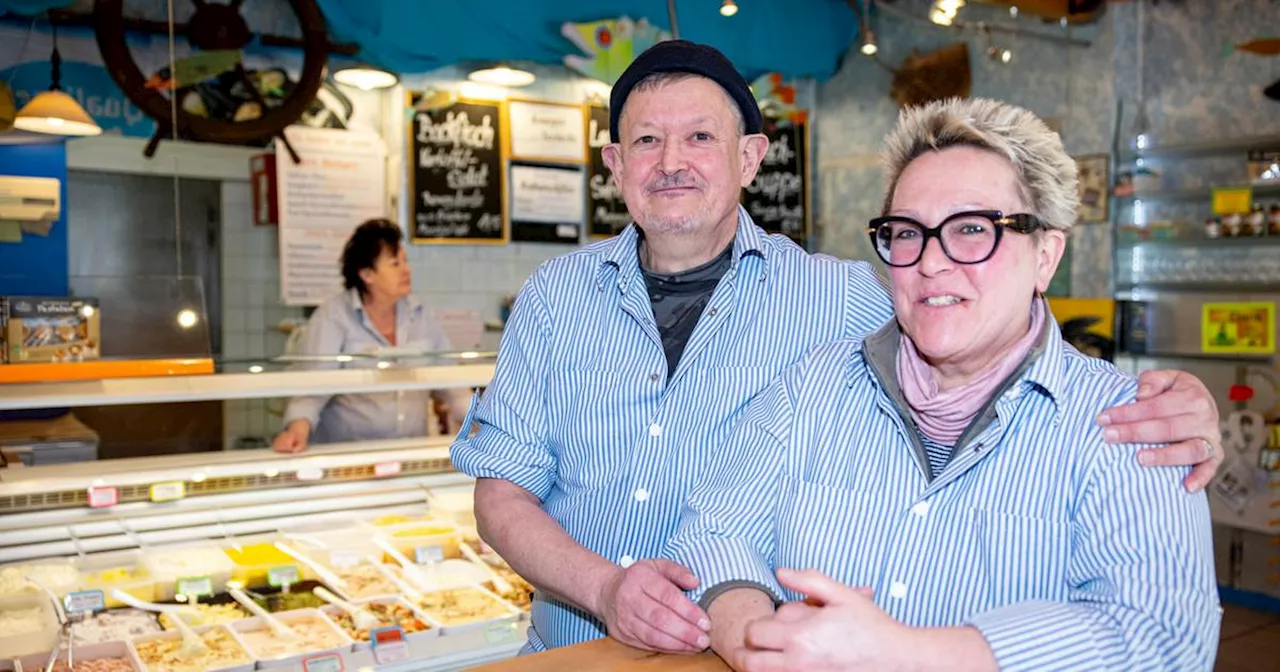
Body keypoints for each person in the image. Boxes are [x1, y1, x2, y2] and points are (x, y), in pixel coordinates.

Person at [449, 40, 1223, 655]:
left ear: (752, 158)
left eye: (699, 137)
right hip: (582, 647)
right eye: (646, 140)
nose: (671, 161)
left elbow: (988, 329)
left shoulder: (846, 296)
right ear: (614, 164)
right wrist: (610, 590)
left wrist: (1178, 396)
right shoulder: (555, 296)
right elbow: (503, 489)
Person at [665, 98, 1219, 671]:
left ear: (1046, 256)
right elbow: (710, 534)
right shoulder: (814, 386)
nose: (931, 262)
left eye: (974, 229)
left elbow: (1164, 636)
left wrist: (909, 655)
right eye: (907, 233)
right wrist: (761, 643)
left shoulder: (1132, 424)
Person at [274, 219, 468, 453]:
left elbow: (451, 381)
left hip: (412, 453)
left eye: (405, 261)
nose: (407, 270)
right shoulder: (332, 317)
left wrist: (483, 425)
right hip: (350, 457)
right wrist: (297, 430)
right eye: (395, 263)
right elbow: (311, 390)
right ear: (367, 274)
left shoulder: (420, 314)